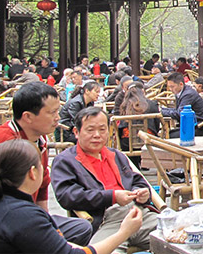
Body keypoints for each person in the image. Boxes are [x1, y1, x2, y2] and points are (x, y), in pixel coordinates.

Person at [0, 82, 92, 244]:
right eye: (52, 112)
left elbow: (43, 187)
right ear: (28, 116)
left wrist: (46, 222)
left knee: (81, 228)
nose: (57, 117)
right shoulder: (4, 141)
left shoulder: (40, 140)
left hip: (30, 217)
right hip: (6, 223)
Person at [0, 139, 141, 254]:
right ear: (32, 173)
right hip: (110, 216)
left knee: (80, 227)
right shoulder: (22, 215)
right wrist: (124, 232)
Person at [51, 107, 157, 251]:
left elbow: (137, 181)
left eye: (102, 129)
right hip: (106, 219)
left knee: (181, 236)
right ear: (76, 132)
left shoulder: (116, 155)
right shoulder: (66, 161)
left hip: (138, 213)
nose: (97, 135)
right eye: (90, 130)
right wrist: (111, 196)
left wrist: (141, 193)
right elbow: (67, 196)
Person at [161, 72, 203, 137]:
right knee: (166, 133)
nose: (170, 89)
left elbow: (180, 113)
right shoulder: (181, 92)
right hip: (189, 124)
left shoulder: (188, 94)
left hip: (198, 126)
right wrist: (162, 110)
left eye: (172, 87)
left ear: (181, 84)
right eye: (169, 87)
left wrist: (161, 112)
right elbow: (177, 110)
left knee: (168, 135)